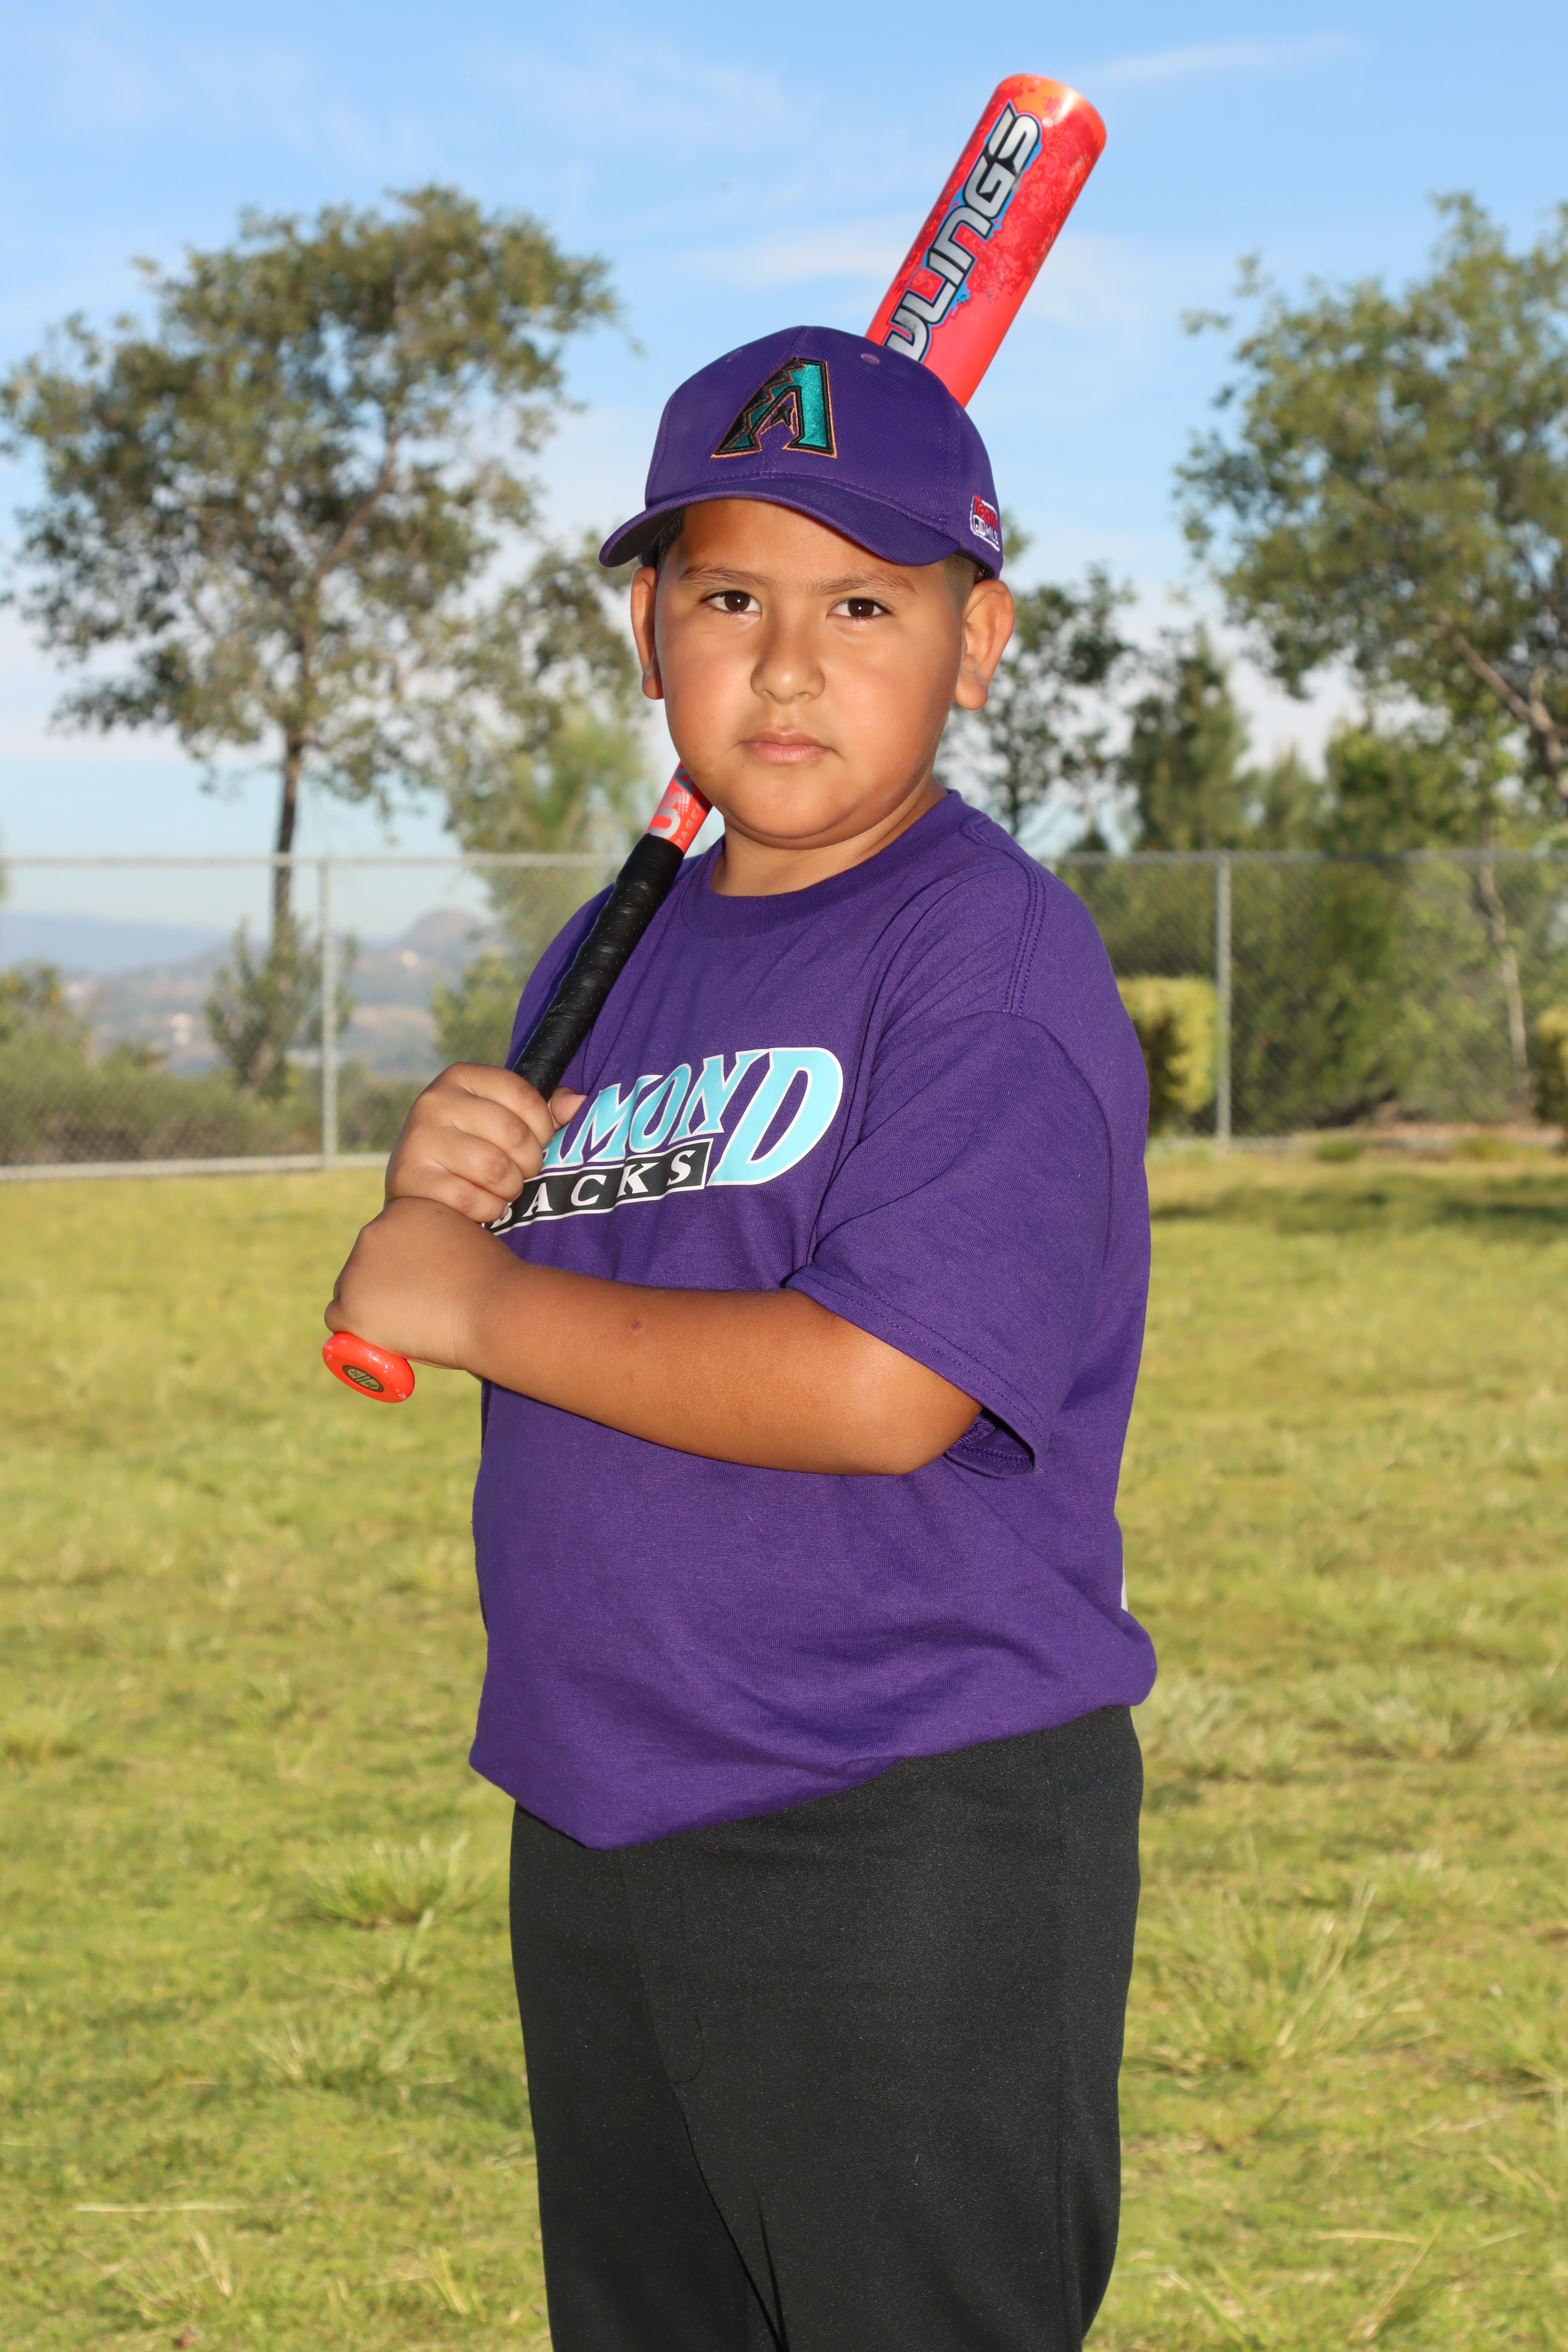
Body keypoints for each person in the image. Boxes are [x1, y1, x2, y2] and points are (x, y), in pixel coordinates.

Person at [326, 323, 1156, 2352]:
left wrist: (479, 1300)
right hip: (603, 1802)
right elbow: (632, 1261)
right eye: (727, 599)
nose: (787, 666)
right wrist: (465, 1182)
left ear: (976, 645)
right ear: (648, 633)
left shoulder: (984, 958)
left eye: (863, 605)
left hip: (894, 1823)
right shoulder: (610, 954)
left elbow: (884, 1387)